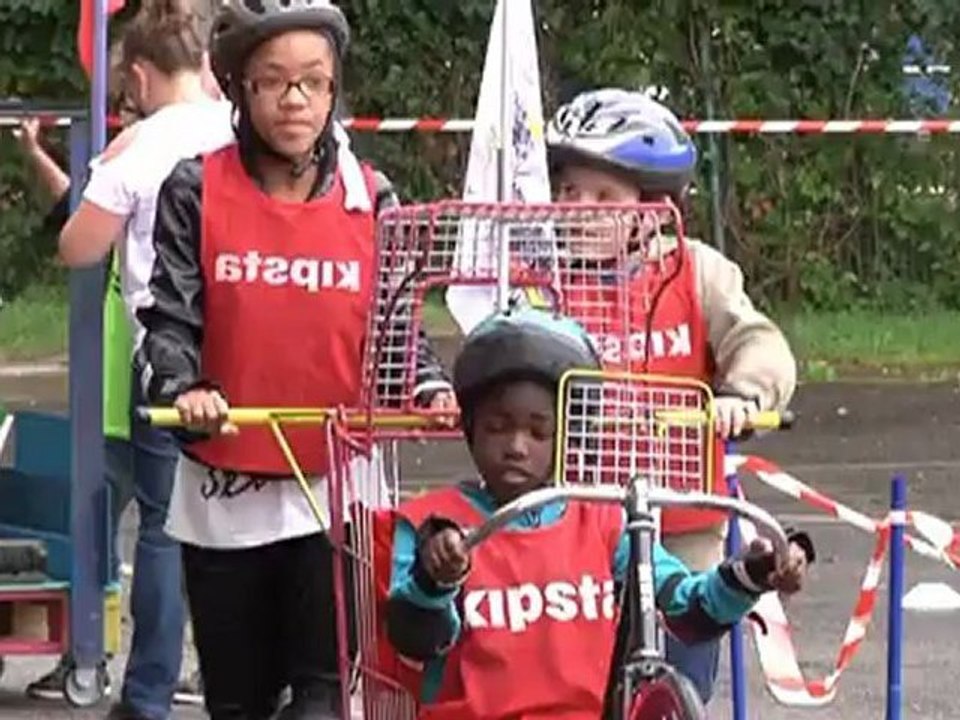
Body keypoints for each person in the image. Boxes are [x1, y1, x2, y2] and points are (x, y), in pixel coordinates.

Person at [136, 2, 455, 718]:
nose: (295, 99)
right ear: (241, 92)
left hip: (334, 491)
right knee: (239, 702)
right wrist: (183, 385)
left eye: (313, 82)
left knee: (322, 694)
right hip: (226, 493)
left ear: (335, 90)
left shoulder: (371, 198)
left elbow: (396, 325)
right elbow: (171, 316)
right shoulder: (194, 189)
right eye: (273, 81)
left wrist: (426, 383)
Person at [383, 307, 812, 719]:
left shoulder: (605, 522)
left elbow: (688, 610)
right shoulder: (436, 528)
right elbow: (415, 640)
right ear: (470, 429)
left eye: (538, 431)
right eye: (498, 427)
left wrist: (751, 573)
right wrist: (433, 579)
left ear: (569, 436)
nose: (516, 446)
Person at [541, 87, 798, 703]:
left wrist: (742, 394)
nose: (580, 209)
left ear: (652, 209)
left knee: (678, 682)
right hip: (570, 526)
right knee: (571, 687)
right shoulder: (539, 283)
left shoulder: (697, 270)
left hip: (679, 521)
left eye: (604, 197)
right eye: (569, 191)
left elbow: (759, 341)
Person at [56, 2, 234, 717]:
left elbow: (79, 247)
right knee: (248, 518)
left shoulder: (141, 146)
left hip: (167, 354)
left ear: (138, 74)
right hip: (248, 346)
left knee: (164, 527)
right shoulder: (240, 129)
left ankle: (150, 691)